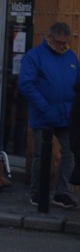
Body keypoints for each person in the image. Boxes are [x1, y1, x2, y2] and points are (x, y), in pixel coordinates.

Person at [19, 22, 78, 208]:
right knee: (41, 154)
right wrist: (44, 106)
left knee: (70, 152)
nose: (62, 46)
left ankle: (61, 192)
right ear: (49, 38)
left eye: (65, 42)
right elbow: (26, 84)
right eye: (59, 42)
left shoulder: (71, 56)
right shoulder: (34, 56)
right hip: (43, 113)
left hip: (66, 114)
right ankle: (38, 192)